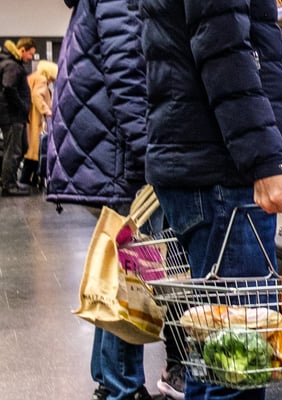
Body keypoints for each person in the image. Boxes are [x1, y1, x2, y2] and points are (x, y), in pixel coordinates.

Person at [140, 0, 282, 398]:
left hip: (203, 163)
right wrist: (264, 163)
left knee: (216, 355)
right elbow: (224, 47)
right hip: (224, 174)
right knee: (238, 365)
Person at [44, 0, 185, 399]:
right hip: (121, 151)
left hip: (109, 145)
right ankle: (121, 384)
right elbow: (128, 71)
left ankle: (110, 380)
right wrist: (149, 153)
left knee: (120, 271)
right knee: (132, 275)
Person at [0, 38, 34, 196]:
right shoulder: (12, 65)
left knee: (21, 148)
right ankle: (8, 184)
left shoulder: (10, 64)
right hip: (12, 115)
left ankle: (11, 180)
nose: (31, 58)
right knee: (13, 151)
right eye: (30, 54)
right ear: (22, 50)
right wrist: (22, 105)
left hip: (15, 115)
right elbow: (8, 87)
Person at [23, 60, 55, 187]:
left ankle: (29, 181)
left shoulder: (33, 77)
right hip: (36, 120)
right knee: (35, 153)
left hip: (29, 118)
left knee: (31, 153)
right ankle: (27, 181)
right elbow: (37, 95)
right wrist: (47, 111)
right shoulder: (42, 80)